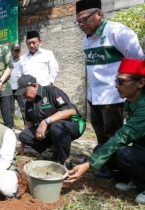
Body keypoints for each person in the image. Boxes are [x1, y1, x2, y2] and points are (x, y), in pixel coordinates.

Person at [75, 0, 144, 178]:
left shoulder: (117, 32)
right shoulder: (86, 40)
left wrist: (132, 93)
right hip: (95, 95)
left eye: (84, 19)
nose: (81, 25)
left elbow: (137, 63)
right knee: (100, 133)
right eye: (78, 22)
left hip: (114, 96)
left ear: (99, 14)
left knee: (113, 134)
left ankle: (119, 170)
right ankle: (106, 166)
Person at [66, 58, 145, 204]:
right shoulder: (130, 101)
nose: (117, 86)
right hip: (141, 149)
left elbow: (123, 135)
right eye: (116, 81)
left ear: (140, 83)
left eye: (121, 82)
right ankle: (134, 180)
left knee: (123, 154)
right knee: (101, 148)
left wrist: (88, 164)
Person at [16, 75, 86, 170]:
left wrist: (45, 122)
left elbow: (71, 111)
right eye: (22, 94)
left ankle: (66, 161)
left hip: (74, 123)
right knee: (24, 136)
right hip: (52, 128)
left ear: (35, 86)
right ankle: (57, 150)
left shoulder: (51, 91)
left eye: (25, 92)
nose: (24, 96)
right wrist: (22, 146)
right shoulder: (28, 102)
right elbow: (29, 124)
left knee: (56, 127)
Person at [10, 43, 24, 122]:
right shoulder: (9, 61)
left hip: (20, 88)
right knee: (10, 108)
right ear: (12, 51)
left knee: (23, 107)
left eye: (18, 50)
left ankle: (27, 125)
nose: (16, 52)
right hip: (11, 88)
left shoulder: (23, 60)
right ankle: (11, 126)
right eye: (15, 50)